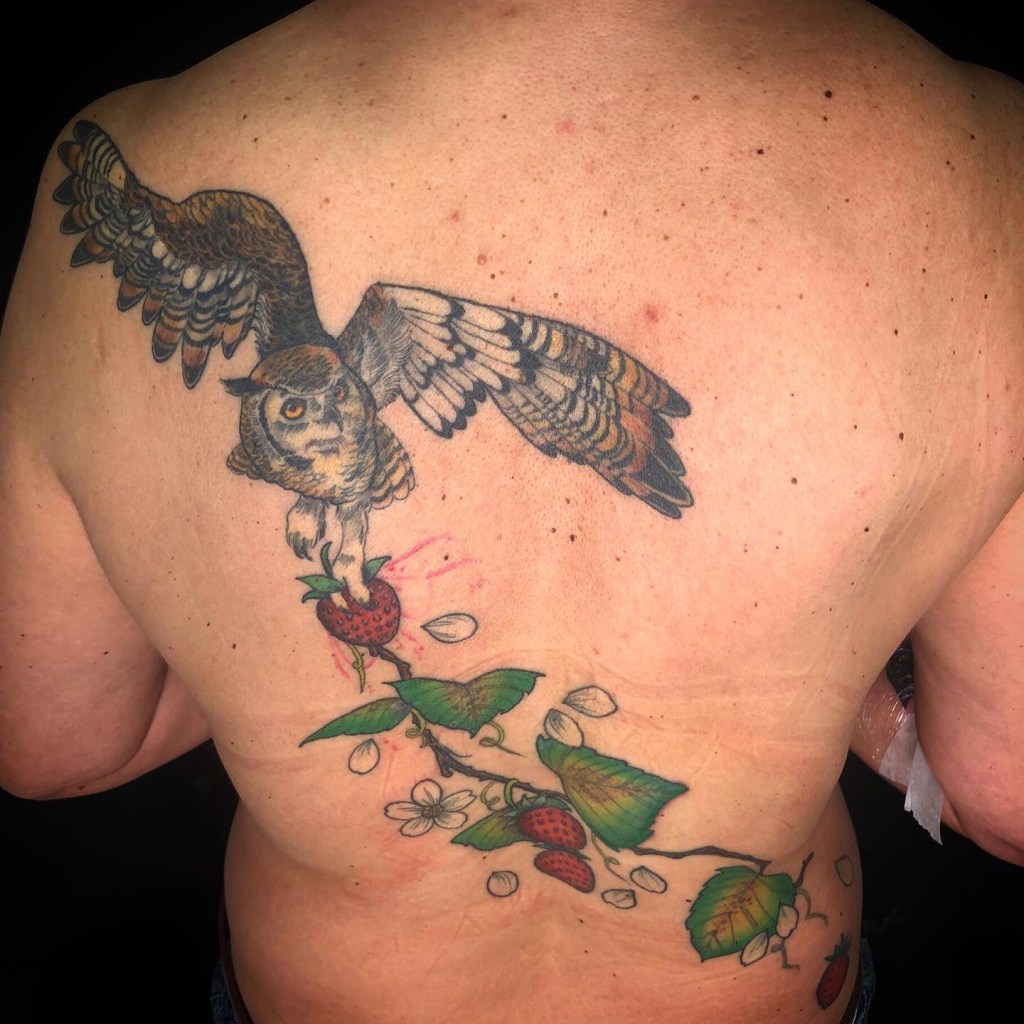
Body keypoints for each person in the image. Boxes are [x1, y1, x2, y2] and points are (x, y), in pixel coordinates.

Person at [1, 2, 1021, 1022]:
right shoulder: (981, 163)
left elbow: (54, 747)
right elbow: (1004, 795)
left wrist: (253, 659)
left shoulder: (150, 141)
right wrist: (824, 657)